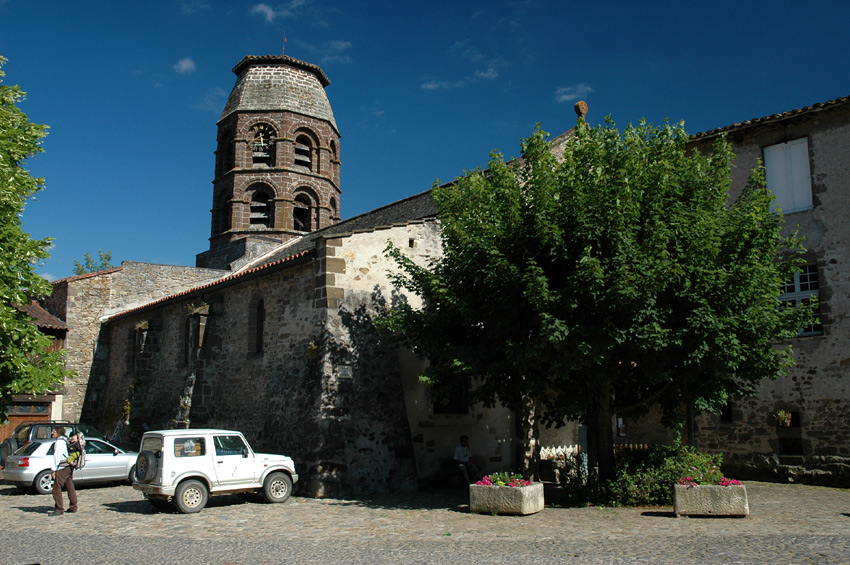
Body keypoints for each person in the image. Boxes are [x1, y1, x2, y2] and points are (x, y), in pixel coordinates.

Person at [48, 426, 78, 515]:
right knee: (70, 486)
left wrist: (53, 470)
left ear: (58, 432)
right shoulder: (65, 440)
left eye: (53, 431)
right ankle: (73, 506)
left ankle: (59, 508)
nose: (52, 433)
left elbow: (57, 456)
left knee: (56, 488)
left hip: (63, 467)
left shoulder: (60, 442)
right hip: (68, 467)